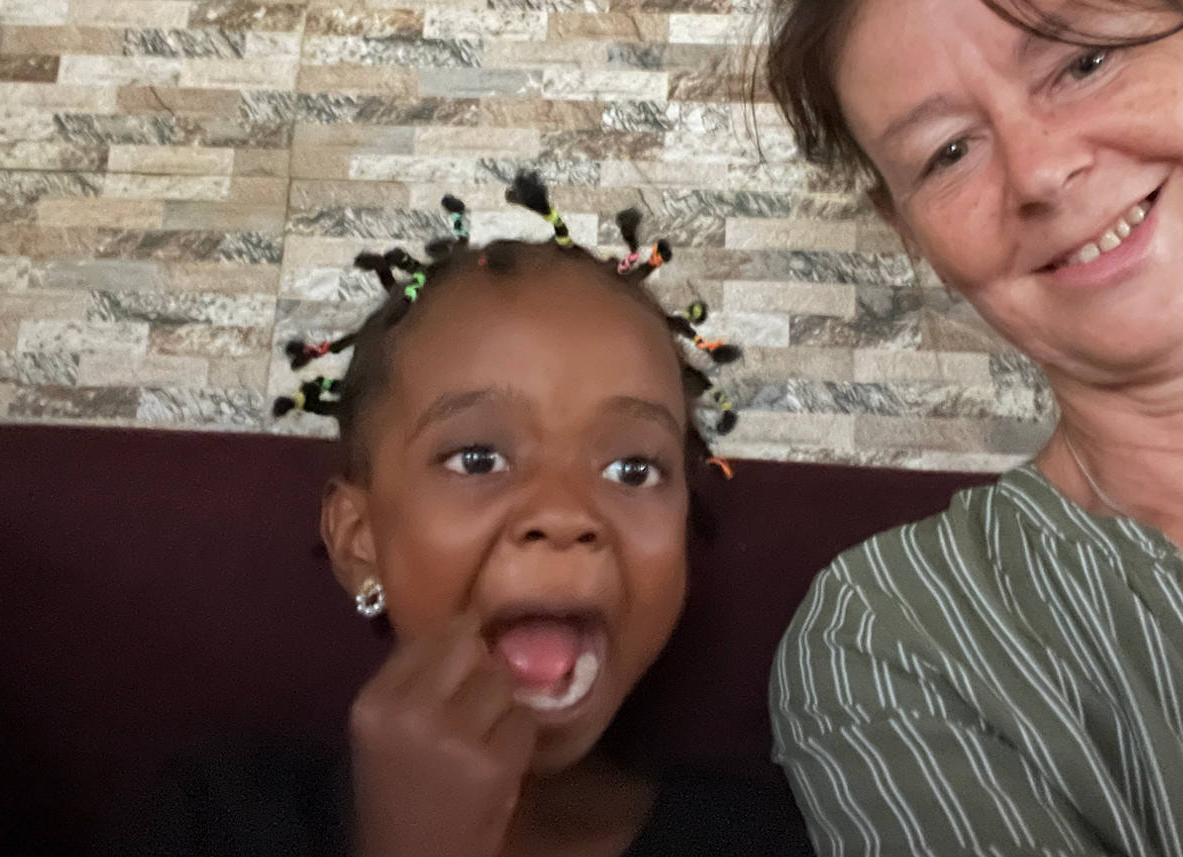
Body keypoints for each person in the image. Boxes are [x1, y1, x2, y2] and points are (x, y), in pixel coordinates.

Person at [760, 0, 1183, 852]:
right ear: (914, 235)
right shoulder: (897, 640)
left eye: (1082, 64)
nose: (1039, 172)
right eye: (948, 152)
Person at [107, 172, 813, 857]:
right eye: (477, 458)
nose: (565, 515)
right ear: (360, 542)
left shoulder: (765, 837)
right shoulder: (218, 820)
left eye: (634, 469)